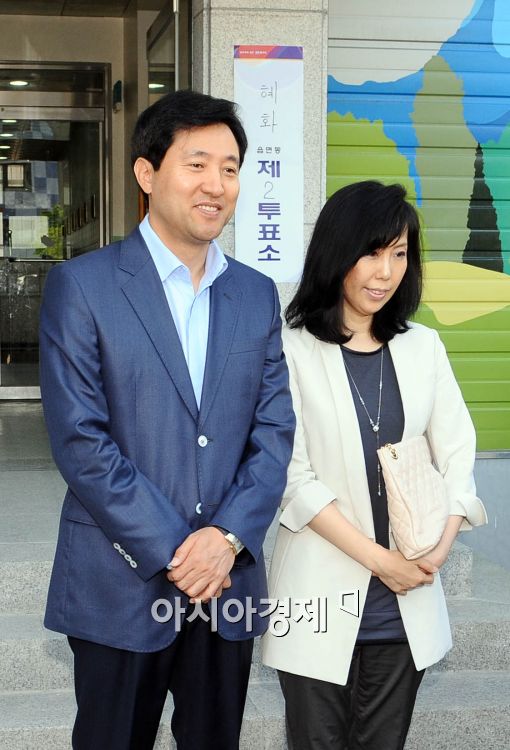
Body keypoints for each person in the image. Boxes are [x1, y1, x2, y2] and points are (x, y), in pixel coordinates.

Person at [39, 89, 295, 750]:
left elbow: (273, 433)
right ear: (147, 174)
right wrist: (182, 552)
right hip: (121, 580)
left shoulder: (255, 294)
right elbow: (80, 439)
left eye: (230, 168)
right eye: (197, 164)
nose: (216, 184)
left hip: (226, 585)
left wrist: (226, 539)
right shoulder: (83, 286)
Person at [262, 181, 487, 749]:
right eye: (371, 252)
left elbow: (458, 456)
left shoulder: (423, 347)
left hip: (407, 601)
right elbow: (293, 479)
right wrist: (381, 562)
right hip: (316, 598)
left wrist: (436, 553)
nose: (385, 272)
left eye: (400, 253)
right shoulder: (290, 349)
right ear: (337, 252)